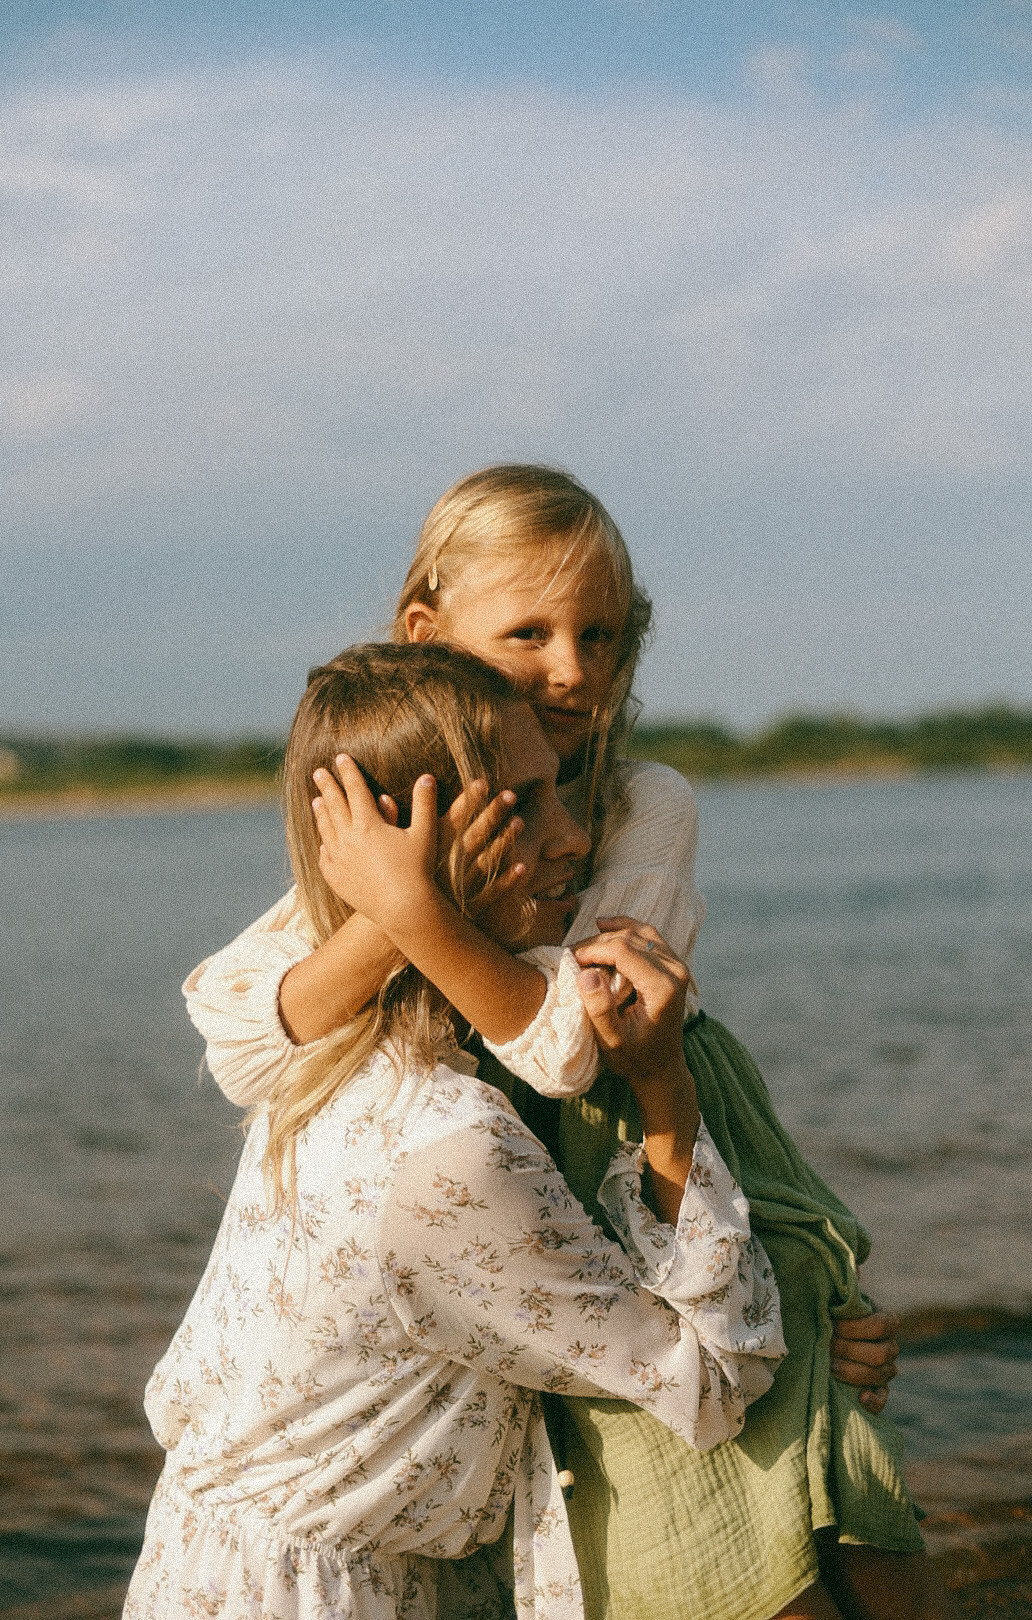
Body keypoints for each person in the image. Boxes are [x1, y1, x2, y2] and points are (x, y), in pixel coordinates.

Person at [183, 467, 945, 1619]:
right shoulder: (403, 827)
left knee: (808, 1418)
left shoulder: (640, 803)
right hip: (523, 1185)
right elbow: (244, 1041)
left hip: (637, 1115)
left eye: (602, 634)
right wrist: (398, 907)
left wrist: (415, 911)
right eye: (530, 634)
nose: (576, 669)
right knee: (679, 1490)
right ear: (426, 632)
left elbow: (578, 1044)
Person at [125, 643, 786, 1620]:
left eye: (564, 790)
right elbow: (715, 1380)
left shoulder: (327, 1053)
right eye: (521, 806)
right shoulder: (449, 1148)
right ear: (415, 854)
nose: (574, 839)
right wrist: (663, 1088)